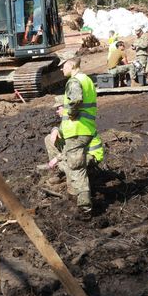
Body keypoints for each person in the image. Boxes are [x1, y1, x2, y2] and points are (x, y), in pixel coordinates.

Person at [44, 57, 96, 214]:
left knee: (76, 167)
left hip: (76, 129)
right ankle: (77, 196)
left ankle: (84, 205)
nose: (61, 69)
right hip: (86, 128)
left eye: (63, 66)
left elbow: (76, 100)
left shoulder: (74, 81)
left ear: (71, 66)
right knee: (74, 164)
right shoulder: (86, 79)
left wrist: (68, 113)